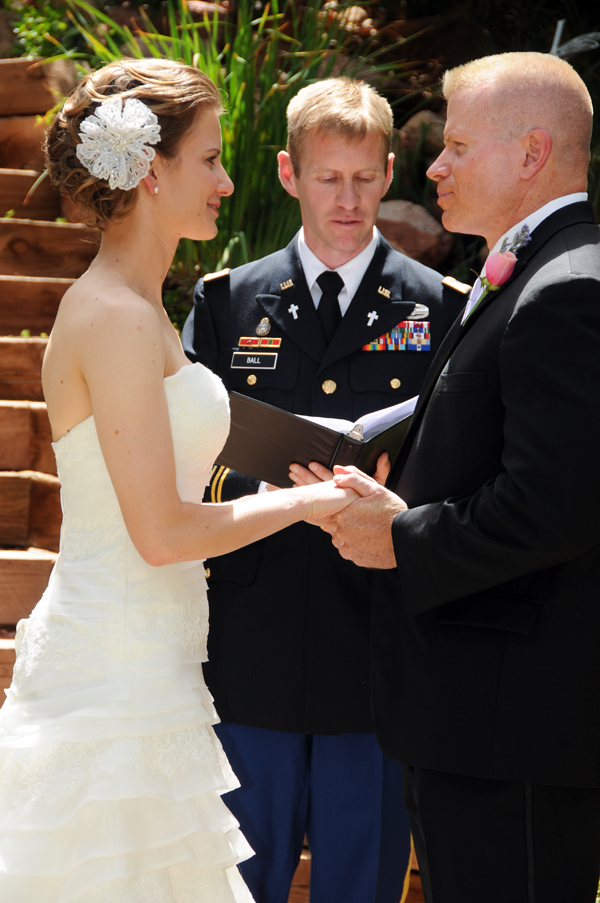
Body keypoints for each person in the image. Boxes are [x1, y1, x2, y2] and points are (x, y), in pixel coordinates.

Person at [0, 58, 356, 903]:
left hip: (156, 662)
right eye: (211, 158)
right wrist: (311, 501)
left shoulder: (144, 305)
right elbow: (161, 533)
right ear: (151, 172)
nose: (228, 183)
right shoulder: (116, 317)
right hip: (112, 676)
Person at [296, 52, 600, 903]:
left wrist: (400, 536)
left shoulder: (569, 289)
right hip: (479, 720)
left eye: (457, 145)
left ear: (532, 154)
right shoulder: (533, 273)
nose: (433, 166)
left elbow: (555, 506)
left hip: (517, 730)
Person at [182, 77, 466, 903]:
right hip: (251, 644)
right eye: (327, 178)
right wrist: (266, 474)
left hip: (375, 653)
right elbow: (186, 455)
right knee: (240, 882)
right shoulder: (227, 301)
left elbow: (458, 462)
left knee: (362, 883)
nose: (348, 200)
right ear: (287, 173)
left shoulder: (441, 308)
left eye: (366, 177)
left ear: (388, 173)